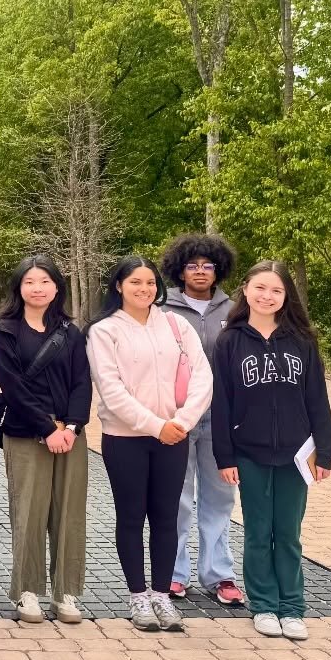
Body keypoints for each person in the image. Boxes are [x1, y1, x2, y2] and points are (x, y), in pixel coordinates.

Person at [87, 256, 214, 633]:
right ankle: (138, 597)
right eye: (135, 283)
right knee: (130, 516)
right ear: (119, 287)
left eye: (150, 283)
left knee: (166, 517)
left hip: (174, 436)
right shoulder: (104, 331)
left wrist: (181, 422)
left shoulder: (176, 325)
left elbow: (202, 376)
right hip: (126, 439)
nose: (144, 290)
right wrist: (156, 425)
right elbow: (111, 391)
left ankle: (162, 595)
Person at [212, 260, 331, 642]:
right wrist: (225, 456)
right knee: (257, 531)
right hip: (248, 452)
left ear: (286, 297)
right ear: (245, 290)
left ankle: (292, 607)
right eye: (260, 288)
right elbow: (222, 402)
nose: (267, 296)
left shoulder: (302, 341)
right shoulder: (230, 341)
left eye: (276, 290)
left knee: (288, 533)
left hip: (296, 454)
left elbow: (317, 398)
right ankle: (264, 605)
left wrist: (325, 451)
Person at [0, 255, 92, 627]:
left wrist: (72, 427)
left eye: (45, 282)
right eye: (30, 282)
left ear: (56, 287)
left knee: (68, 514)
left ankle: (66, 591)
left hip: (70, 434)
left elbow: (83, 381)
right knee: (29, 512)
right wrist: (48, 429)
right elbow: (13, 387)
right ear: (19, 287)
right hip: (27, 433)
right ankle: (27, 591)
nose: (37, 288)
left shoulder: (71, 331)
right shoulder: (6, 331)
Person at [161, 233, 244, 605]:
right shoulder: (164, 309)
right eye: (191, 265)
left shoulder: (235, 311)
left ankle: (219, 574)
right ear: (179, 269)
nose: (199, 271)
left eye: (207, 265)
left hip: (223, 419)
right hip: (178, 417)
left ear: (218, 269)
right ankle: (174, 574)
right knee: (177, 497)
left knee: (220, 498)